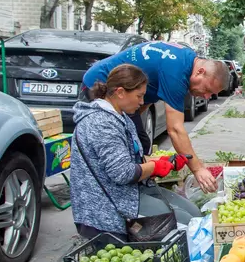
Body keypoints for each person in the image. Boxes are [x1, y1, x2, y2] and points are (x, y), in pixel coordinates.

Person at [71, 64, 202, 240]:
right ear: (120, 92)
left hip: (130, 192)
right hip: (108, 206)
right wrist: (155, 166)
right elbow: (123, 173)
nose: (142, 102)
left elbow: (132, 159)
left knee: (195, 214)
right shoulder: (101, 123)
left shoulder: (120, 116)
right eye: (139, 96)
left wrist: (167, 162)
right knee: (189, 224)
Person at [82, 41, 229, 193]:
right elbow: (175, 129)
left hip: (118, 91)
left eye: (211, 94)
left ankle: (136, 191)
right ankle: (113, 193)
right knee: (128, 149)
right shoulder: (177, 73)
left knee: (140, 143)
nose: (206, 97)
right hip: (99, 84)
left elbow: (146, 98)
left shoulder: (187, 59)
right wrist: (198, 169)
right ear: (200, 72)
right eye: (207, 89)